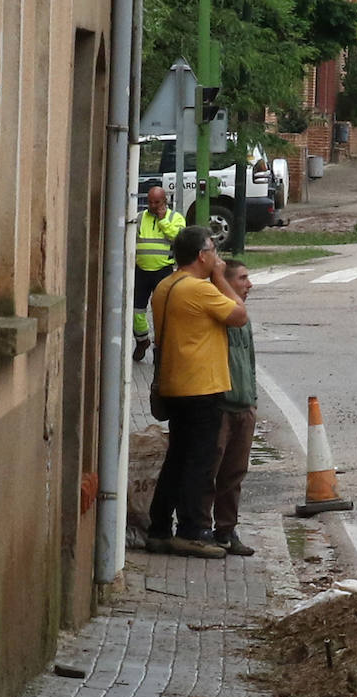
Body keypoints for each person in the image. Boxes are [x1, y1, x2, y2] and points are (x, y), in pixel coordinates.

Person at [146, 226, 248, 559]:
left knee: (176, 459)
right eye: (213, 252)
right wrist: (220, 276)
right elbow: (239, 315)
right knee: (199, 462)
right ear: (201, 255)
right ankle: (191, 530)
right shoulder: (199, 290)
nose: (217, 258)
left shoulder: (165, 285)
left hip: (174, 384)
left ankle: (159, 528)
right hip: (201, 386)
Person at [202, 259, 258, 557]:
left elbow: (249, 362)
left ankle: (226, 529)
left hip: (243, 406)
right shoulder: (217, 314)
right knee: (208, 470)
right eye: (242, 278)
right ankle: (200, 528)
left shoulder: (243, 319)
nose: (249, 284)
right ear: (224, 283)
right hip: (220, 406)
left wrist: (252, 401)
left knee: (235, 473)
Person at [133, 185, 186, 362]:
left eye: (157, 202)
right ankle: (141, 340)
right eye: (150, 202)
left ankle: (160, 347)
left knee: (162, 312)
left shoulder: (175, 218)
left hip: (163, 271)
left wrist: (163, 220)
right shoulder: (140, 218)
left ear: (165, 201)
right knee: (136, 311)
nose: (153, 205)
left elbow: (179, 239)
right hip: (141, 271)